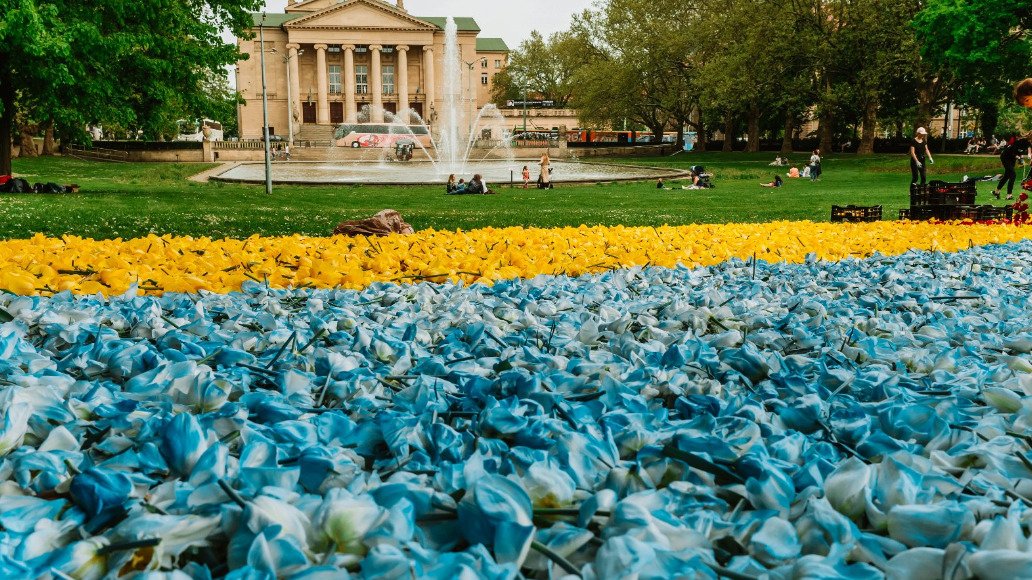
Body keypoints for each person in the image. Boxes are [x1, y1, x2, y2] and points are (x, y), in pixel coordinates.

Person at [993, 134, 1031, 200]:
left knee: (1007, 175)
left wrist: (1021, 158)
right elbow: (1013, 151)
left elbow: (1020, 152)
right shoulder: (1020, 141)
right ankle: (1009, 195)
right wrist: (1019, 159)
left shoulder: (1028, 144)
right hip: (1005, 156)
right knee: (1013, 175)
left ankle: (996, 191)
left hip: (1012, 158)